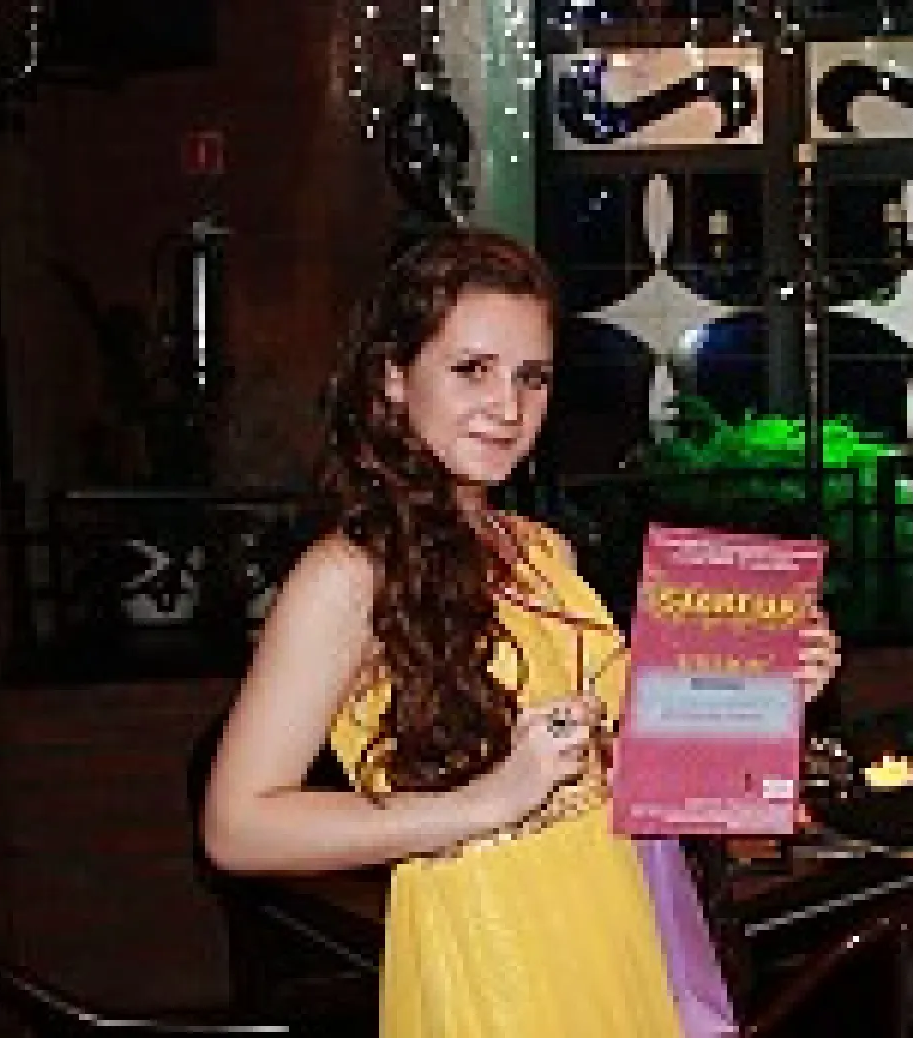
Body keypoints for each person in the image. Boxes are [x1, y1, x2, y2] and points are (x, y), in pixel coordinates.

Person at [200, 228, 841, 1038]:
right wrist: (484, 802)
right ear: (393, 378)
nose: (508, 407)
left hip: (617, 919)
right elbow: (238, 827)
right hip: (491, 953)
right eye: (472, 369)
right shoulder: (348, 576)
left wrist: (762, 685)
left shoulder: (540, 551)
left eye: (531, 377)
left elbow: (633, 762)